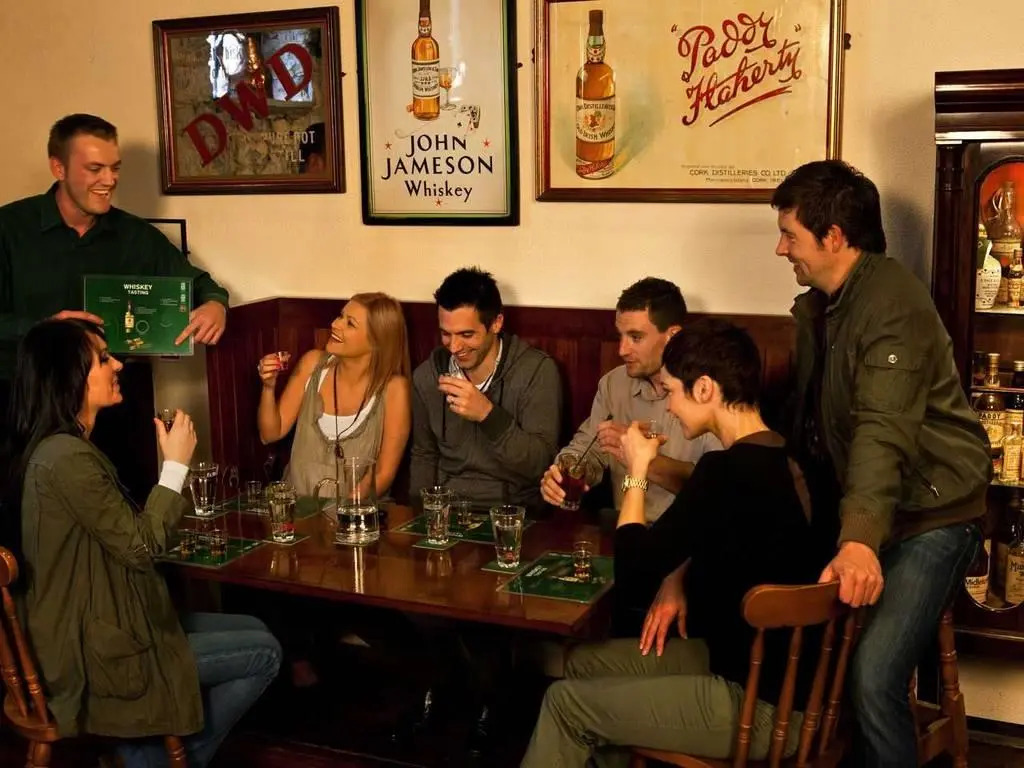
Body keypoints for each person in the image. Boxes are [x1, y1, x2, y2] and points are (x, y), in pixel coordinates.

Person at [521, 318, 830, 767]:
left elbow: (633, 575)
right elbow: (732, 539)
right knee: (584, 664)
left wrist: (637, 470)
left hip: (761, 705)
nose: (668, 405)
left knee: (566, 704)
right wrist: (678, 578)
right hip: (767, 671)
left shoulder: (724, 472)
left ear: (704, 389)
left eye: (670, 392)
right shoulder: (789, 457)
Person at [772, 159, 990, 767]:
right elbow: (809, 420)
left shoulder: (890, 304)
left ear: (834, 236)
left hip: (932, 516)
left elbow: (881, 430)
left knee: (871, 675)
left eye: (790, 235)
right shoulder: (826, 306)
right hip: (874, 508)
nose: (781, 249)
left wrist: (859, 541)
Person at [0, 318, 280, 767]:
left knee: (256, 627)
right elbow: (143, 547)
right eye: (103, 359)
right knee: (265, 652)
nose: (118, 365)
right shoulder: (65, 457)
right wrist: (176, 467)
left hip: (106, 621)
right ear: (70, 376)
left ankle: (143, 753)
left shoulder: (65, 447)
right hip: (92, 652)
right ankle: (158, 760)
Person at [0, 114, 230, 386]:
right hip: (22, 395)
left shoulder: (137, 236)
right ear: (59, 168)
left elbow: (199, 285)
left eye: (115, 168)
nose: (109, 180)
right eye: (95, 169)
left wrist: (215, 304)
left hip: (113, 398)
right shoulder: (9, 228)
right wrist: (47, 329)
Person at [540, 278, 721, 523]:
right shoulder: (613, 383)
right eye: (621, 336)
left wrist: (640, 457)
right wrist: (566, 470)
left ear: (673, 336)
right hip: (625, 527)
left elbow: (715, 486)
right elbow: (589, 449)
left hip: (688, 534)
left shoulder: (706, 390)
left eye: (636, 337)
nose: (622, 350)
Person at [410, 267, 562, 510]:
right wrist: (420, 515)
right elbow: (423, 456)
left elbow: (540, 464)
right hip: (447, 511)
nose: (454, 347)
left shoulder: (536, 371)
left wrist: (487, 415)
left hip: (513, 513)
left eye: (467, 334)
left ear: (496, 323)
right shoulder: (427, 376)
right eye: (446, 334)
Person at [257, 293, 412, 497]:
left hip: (356, 511)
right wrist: (268, 387)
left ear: (376, 340)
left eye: (350, 323)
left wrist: (347, 510)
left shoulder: (394, 389)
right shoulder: (312, 363)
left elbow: (383, 473)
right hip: (296, 506)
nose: (335, 324)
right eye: (340, 316)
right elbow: (269, 434)